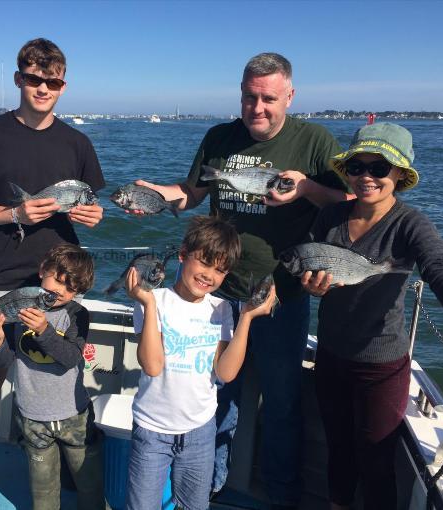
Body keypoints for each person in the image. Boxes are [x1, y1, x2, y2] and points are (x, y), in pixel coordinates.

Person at [129, 53, 350, 509]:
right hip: (215, 296)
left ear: (290, 96)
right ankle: (209, 485)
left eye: (269, 98)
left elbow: (347, 201)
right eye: (250, 97)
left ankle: (281, 493)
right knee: (216, 395)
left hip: (279, 298)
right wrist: (156, 196)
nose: (258, 107)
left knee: (282, 401)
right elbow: (192, 194)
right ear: (241, 94)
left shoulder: (314, 141)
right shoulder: (219, 137)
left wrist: (306, 188)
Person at [300, 122, 443, 510]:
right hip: (330, 355)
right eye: (357, 167)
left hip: (381, 366)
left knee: (376, 463)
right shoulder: (331, 217)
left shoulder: (410, 224)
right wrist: (311, 284)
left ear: (400, 174)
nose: (367, 178)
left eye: (379, 169)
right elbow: (309, 260)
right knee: (338, 450)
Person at [0, 38, 105, 509]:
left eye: (51, 81)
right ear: (19, 78)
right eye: (33, 79)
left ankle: (70, 459)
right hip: (1, 274)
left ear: (63, 85)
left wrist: (92, 216)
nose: (42, 88)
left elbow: (91, 203)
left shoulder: (78, 142)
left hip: (61, 282)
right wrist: (16, 214)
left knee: (60, 366)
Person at [124, 216, 277, 510]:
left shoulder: (221, 310)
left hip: (200, 431)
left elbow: (226, 373)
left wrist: (245, 317)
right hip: (151, 430)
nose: (209, 275)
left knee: (195, 505)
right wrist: (148, 305)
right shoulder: (154, 301)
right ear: (183, 255)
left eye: (220, 270)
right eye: (204, 263)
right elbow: (152, 366)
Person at [0, 244, 105, 510]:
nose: (61, 291)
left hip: (74, 415)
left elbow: (70, 357)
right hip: (32, 417)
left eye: (70, 288)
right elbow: (3, 362)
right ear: (42, 272)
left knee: (89, 482)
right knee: (43, 491)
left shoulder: (77, 315)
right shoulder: (18, 312)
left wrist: (43, 329)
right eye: (57, 281)